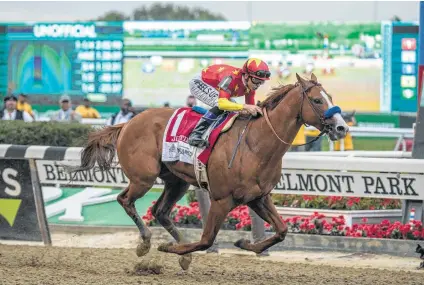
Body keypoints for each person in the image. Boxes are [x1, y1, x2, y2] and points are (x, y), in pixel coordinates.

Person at [187, 58, 270, 147]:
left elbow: (250, 110)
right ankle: (195, 135)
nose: (258, 85)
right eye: (256, 80)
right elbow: (222, 104)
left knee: (233, 106)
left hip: (214, 86)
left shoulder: (251, 87)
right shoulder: (230, 78)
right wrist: (245, 107)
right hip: (199, 82)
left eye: (262, 82)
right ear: (246, 76)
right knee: (223, 105)